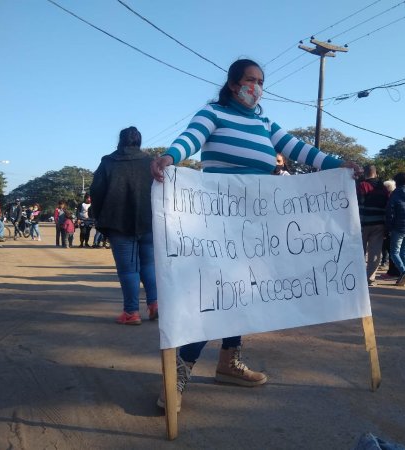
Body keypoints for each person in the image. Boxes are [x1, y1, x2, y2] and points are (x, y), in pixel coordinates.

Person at [150, 58, 361, 412]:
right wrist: (171, 157)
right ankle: (178, 372)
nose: (257, 86)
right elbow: (190, 139)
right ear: (234, 84)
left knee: (244, 292)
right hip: (217, 221)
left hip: (257, 222)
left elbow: (298, 148)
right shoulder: (214, 113)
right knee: (214, 296)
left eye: (261, 81)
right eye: (250, 80)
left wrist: (337, 163)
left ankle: (228, 362)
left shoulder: (264, 120)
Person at [90, 126, 158, 326]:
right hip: (149, 222)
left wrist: (100, 216)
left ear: (120, 141)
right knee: (149, 265)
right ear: (139, 141)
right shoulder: (150, 162)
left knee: (129, 270)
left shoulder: (108, 162)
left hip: (118, 222)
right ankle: (155, 305)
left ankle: (131, 313)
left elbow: (96, 191)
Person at [356, 165, 389, 287]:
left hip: (364, 223)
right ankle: (370, 278)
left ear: (365, 173)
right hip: (379, 224)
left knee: (360, 251)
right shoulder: (383, 188)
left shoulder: (362, 186)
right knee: (375, 252)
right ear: (376, 173)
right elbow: (387, 206)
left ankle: (358, 276)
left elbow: (360, 204)